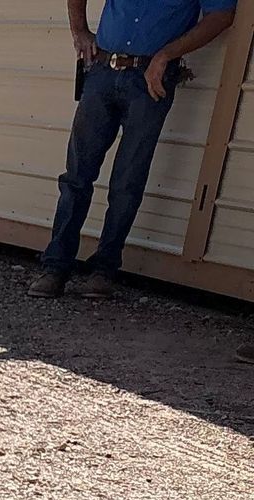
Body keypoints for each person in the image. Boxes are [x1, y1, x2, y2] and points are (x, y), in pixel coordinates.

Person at [28, 0, 238, 298]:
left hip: (151, 78)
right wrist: (79, 31)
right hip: (101, 71)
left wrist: (166, 55)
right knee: (76, 176)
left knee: (128, 181)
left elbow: (221, 15)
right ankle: (55, 267)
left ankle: (103, 270)